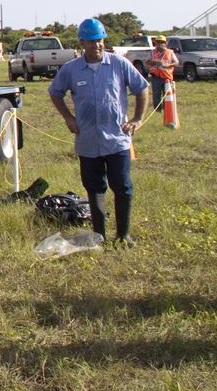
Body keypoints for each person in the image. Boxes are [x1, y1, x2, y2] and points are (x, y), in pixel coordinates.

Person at [49, 17, 150, 248]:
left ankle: (123, 235)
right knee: (94, 188)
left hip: (117, 140)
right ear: (82, 43)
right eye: (92, 41)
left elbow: (142, 88)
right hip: (88, 141)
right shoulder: (71, 69)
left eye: (100, 40)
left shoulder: (119, 64)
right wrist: (68, 118)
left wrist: (137, 119)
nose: (97, 45)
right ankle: (99, 236)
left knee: (123, 187)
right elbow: (55, 92)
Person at [145, 35, 178, 111]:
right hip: (155, 77)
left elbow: (176, 62)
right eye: (158, 42)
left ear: (165, 43)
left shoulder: (170, 52)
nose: (160, 44)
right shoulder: (152, 52)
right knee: (156, 95)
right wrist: (155, 62)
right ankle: (157, 110)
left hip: (167, 77)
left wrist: (167, 65)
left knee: (167, 95)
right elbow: (147, 61)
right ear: (155, 43)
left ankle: (167, 110)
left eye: (162, 42)